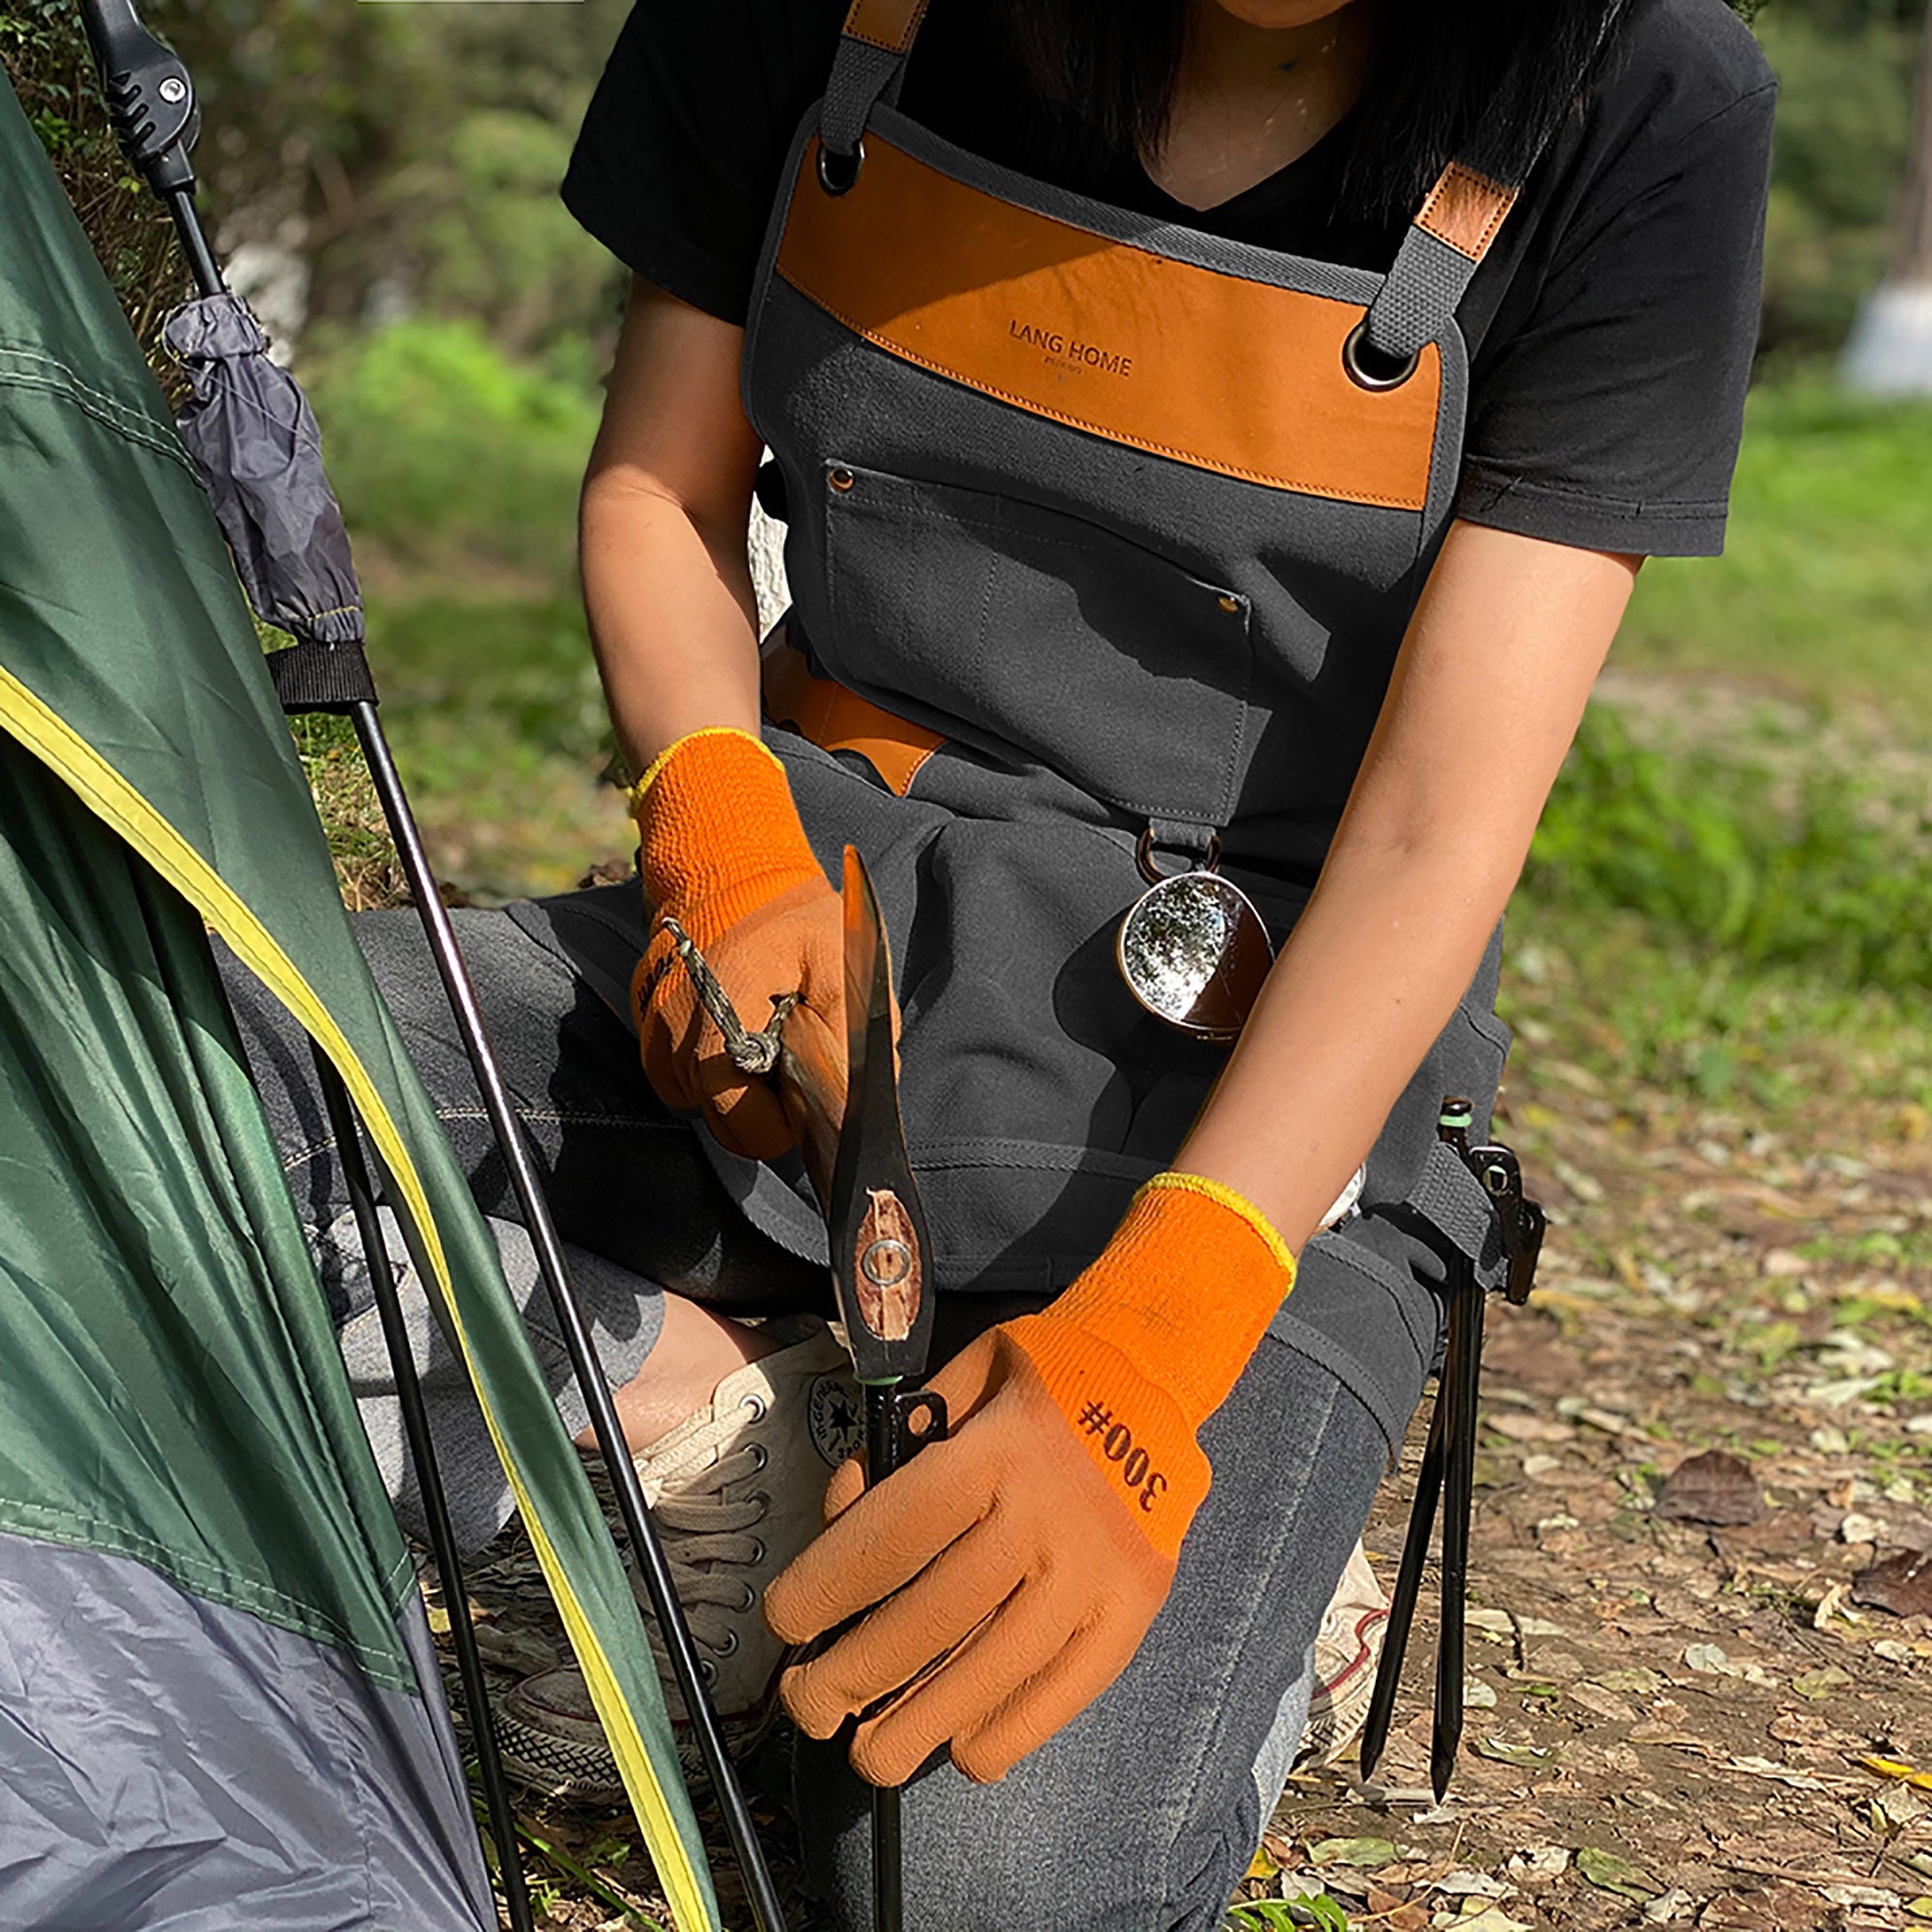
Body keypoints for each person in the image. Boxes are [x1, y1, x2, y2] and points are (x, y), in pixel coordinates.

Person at [222, 0, 1776, 1924]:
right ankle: (693, 1446)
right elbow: (659, 486)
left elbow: (1434, 829)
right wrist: (715, 818)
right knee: (147, 1073)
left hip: (1253, 1095)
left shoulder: (1634, 100)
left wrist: (1161, 1336)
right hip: (800, 966)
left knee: (963, 1876)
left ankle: (1237, 1594)